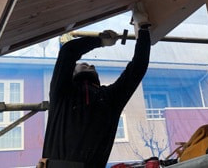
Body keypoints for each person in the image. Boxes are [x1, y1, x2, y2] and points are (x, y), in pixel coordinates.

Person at [39, 9, 152, 168]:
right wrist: (99, 41)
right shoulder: (63, 92)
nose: (90, 64)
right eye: (83, 64)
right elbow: (68, 52)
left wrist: (143, 28)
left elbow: (137, 68)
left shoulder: (109, 97)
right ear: (72, 73)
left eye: (90, 65)